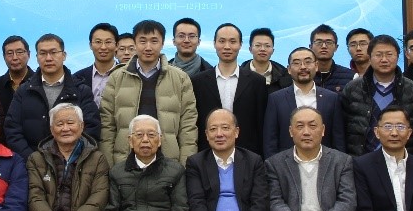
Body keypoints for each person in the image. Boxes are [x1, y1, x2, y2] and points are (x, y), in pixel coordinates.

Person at [99, 19, 198, 164]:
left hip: (168, 163)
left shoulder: (180, 78)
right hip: (125, 162)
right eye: (142, 41)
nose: (148, 47)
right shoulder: (117, 77)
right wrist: (110, 166)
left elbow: (188, 127)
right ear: (135, 43)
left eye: (154, 41)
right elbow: (107, 127)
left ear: (162, 44)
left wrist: (185, 166)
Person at [4, 34, 100, 153]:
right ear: (37, 57)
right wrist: (32, 159)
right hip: (32, 161)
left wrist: (72, 157)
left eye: (53, 52)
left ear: (64, 55)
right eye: (43, 53)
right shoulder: (24, 91)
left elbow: (92, 128)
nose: (48, 58)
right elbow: (12, 130)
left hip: (74, 161)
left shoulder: (81, 90)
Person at [341, 34, 413, 155]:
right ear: (370, 57)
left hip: (403, 159)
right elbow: (343, 128)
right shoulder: (352, 89)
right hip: (361, 160)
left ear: (397, 57)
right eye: (378, 55)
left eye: (389, 54)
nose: (384, 60)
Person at [191, 22, 267, 156]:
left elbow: (261, 123)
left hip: (248, 155)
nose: (227, 47)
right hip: (207, 154)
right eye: (222, 41)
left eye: (233, 41)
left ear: (240, 45)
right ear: (214, 43)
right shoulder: (198, 81)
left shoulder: (257, 81)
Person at [262, 47, 345, 158]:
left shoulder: (331, 98)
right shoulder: (276, 99)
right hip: (286, 164)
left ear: (316, 66)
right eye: (296, 63)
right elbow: (270, 140)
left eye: (308, 62)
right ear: (289, 69)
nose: (303, 67)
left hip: (325, 163)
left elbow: (338, 139)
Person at [72, 22, 119, 106]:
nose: (103, 47)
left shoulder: (127, 75)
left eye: (108, 42)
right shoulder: (77, 78)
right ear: (90, 45)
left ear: (117, 45)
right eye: (98, 42)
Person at [0, 35, 33, 110]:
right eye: (9, 53)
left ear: (28, 54)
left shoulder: (41, 83)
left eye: (19, 52)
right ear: (4, 57)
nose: (15, 58)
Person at [309, 24, 354, 95]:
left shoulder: (351, 77)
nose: (324, 46)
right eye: (319, 42)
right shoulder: (303, 75)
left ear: (336, 47)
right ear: (310, 47)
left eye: (329, 42)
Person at [247, 27, 290, 93]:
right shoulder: (239, 74)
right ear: (250, 49)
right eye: (258, 45)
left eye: (267, 46)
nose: (262, 49)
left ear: (273, 50)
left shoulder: (284, 75)